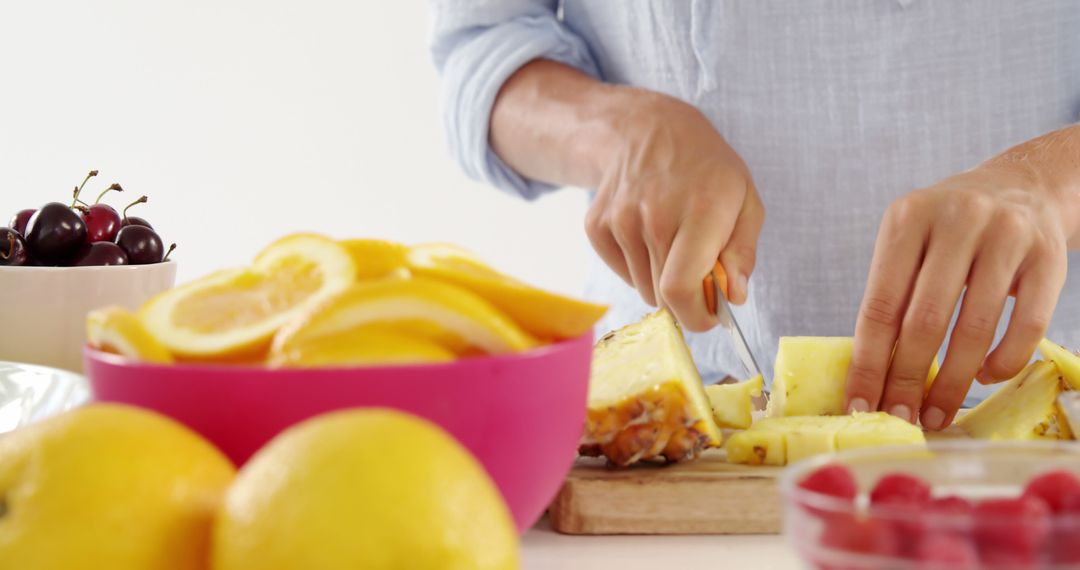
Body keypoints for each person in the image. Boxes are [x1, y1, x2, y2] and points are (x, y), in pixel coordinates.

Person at [429, 1, 1080, 430]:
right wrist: (620, 133)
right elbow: (481, 47)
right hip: (673, 410)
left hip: (1046, 415)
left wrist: (1055, 177)